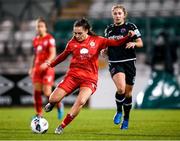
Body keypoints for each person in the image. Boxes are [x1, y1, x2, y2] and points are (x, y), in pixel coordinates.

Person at [42, 18, 135, 134]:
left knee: (81, 101)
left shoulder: (98, 40)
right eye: (75, 33)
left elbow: (115, 43)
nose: (77, 36)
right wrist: (51, 64)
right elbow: (63, 56)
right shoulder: (72, 43)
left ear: (86, 30)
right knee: (53, 98)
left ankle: (62, 126)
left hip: (89, 79)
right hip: (72, 76)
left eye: (79, 33)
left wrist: (128, 37)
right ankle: (52, 104)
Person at [103, 5, 143, 129]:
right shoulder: (108, 29)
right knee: (121, 89)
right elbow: (106, 45)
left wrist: (133, 43)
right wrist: (104, 51)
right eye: (115, 13)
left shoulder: (131, 27)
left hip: (129, 61)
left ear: (124, 15)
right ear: (112, 15)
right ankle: (119, 111)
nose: (117, 15)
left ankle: (126, 119)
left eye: (119, 13)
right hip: (115, 62)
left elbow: (141, 43)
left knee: (128, 93)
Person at [28, 17, 64, 119]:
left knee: (47, 92)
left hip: (47, 68)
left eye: (41, 26)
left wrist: (47, 63)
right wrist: (31, 68)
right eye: (38, 26)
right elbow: (34, 55)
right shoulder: (35, 40)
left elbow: (53, 53)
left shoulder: (50, 39)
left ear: (45, 28)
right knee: (37, 92)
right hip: (37, 69)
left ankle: (59, 105)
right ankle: (39, 114)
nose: (39, 28)